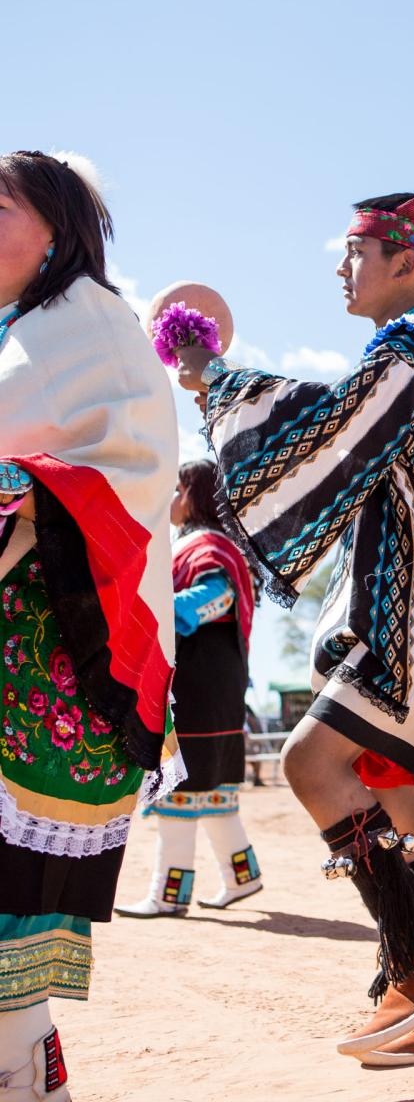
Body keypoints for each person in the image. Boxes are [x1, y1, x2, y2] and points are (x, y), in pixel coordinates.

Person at [176, 190, 414, 1065]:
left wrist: (222, 384)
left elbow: (330, 433)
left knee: (315, 765)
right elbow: (344, 421)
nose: (340, 268)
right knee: (393, 799)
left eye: (355, 252)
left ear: (405, 262)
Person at [0, 151, 179, 1100]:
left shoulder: (93, 331)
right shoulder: (16, 333)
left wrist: (20, 486)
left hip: (48, 660)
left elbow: (136, 468)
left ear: (58, 231)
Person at [116, 459, 261, 918]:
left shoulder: (209, 545)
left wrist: (160, 612)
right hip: (212, 686)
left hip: (200, 689)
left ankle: (169, 893)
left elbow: (217, 597)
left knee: (179, 787)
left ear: (197, 495)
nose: (173, 500)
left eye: (179, 490)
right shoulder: (201, 545)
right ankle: (244, 878)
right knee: (214, 794)